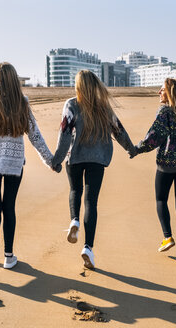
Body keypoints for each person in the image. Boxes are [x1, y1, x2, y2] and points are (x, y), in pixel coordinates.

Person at [0, 62, 59, 269]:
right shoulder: (22, 103)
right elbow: (35, 136)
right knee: (8, 206)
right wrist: (51, 161)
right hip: (14, 163)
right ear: (15, 81)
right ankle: (9, 256)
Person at [51, 70, 135, 270]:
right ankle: (88, 247)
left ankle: (74, 221)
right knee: (91, 202)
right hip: (97, 159)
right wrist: (131, 148)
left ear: (78, 86)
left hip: (75, 158)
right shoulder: (103, 107)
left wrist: (56, 160)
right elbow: (119, 130)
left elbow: (64, 134)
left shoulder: (71, 104)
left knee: (74, 191)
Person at [130, 78, 176, 264]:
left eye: (162, 90)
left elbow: (154, 138)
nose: (159, 93)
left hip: (166, 165)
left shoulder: (165, 112)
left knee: (161, 200)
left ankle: (168, 237)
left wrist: (137, 149)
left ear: (170, 93)